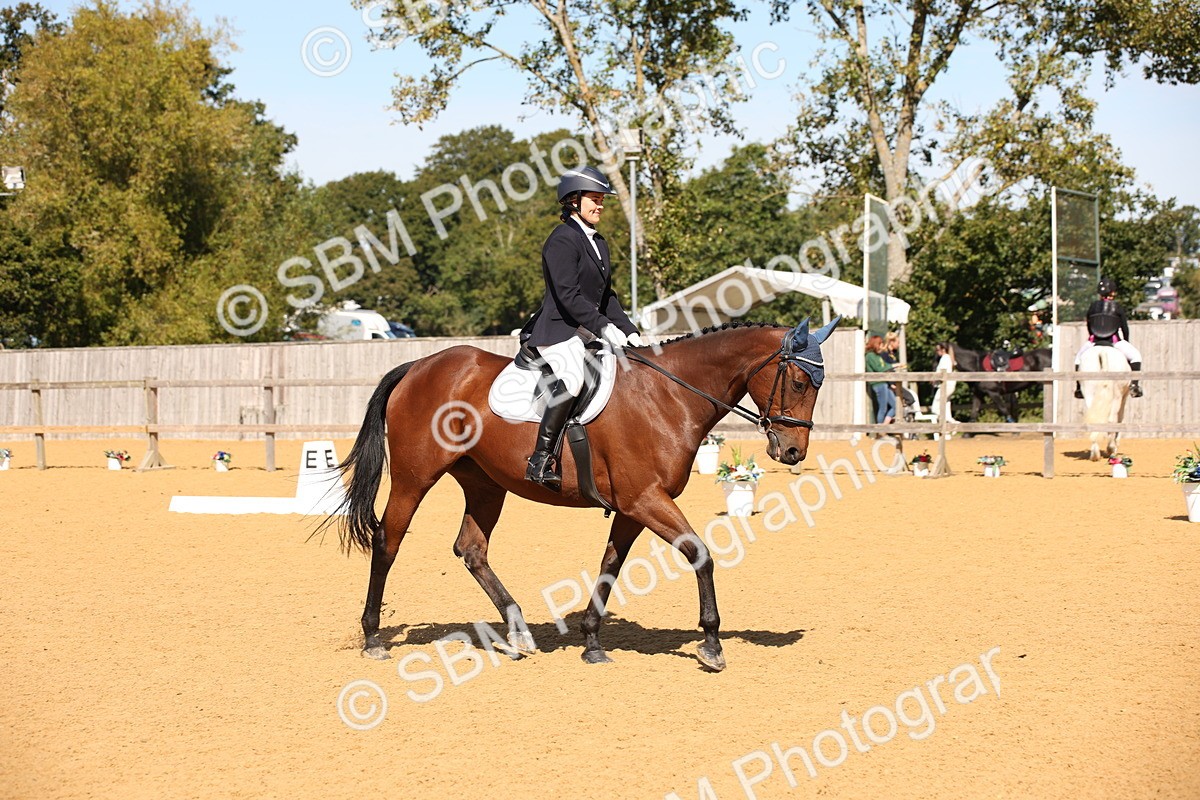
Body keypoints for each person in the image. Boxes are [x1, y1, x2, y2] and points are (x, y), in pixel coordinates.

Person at [522, 166, 643, 490]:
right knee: (574, 378)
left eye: (602, 199)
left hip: (587, 331)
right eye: (595, 199)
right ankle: (541, 458)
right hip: (558, 331)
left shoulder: (598, 242)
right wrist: (603, 327)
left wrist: (627, 328)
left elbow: (606, 296)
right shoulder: (561, 240)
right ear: (573, 201)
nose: (600, 205)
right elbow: (568, 294)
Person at [1073, 277, 1143, 399]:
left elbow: (1089, 326)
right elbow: (1124, 328)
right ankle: (1134, 385)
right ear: (1112, 292)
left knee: (1078, 359)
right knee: (1136, 356)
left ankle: (1079, 387)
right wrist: (1126, 341)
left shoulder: (1093, 306)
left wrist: (1092, 337)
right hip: (1114, 341)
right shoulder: (1117, 307)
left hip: (1094, 341)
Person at [865, 334, 896, 425]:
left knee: (896, 406)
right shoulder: (870, 356)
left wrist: (892, 366)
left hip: (884, 382)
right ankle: (880, 429)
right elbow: (879, 369)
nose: (882, 346)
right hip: (879, 383)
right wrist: (893, 366)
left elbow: (885, 366)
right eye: (881, 344)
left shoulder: (877, 356)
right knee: (883, 408)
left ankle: (884, 426)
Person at [930, 342, 957, 423]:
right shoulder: (948, 358)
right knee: (946, 409)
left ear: (943, 349)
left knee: (935, 408)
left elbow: (942, 373)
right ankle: (949, 428)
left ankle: (950, 424)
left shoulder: (945, 358)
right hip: (949, 385)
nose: (937, 352)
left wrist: (934, 379)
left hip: (945, 385)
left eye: (938, 350)